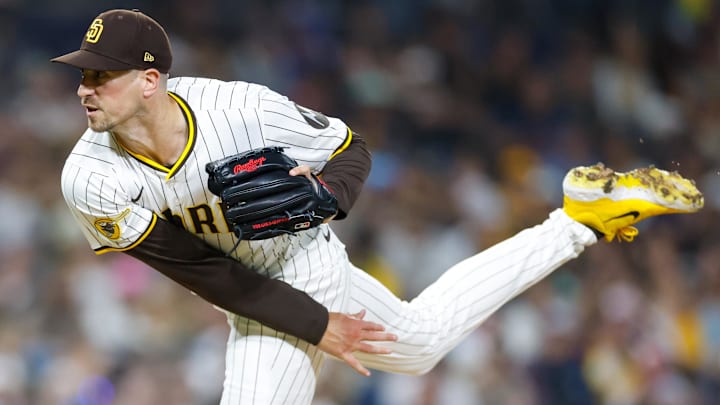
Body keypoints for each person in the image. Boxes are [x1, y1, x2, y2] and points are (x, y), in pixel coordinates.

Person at [51, 9, 703, 405]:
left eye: (100, 75)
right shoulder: (90, 176)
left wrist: (326, 198)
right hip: (250, 285)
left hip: (300, 258)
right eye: (84, 74)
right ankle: (580, 219)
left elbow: (350, 147)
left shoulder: (240, 110)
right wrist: (316, 323)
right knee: (419, 343)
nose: (86, 88)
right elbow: (202, 270)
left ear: (150, 80)